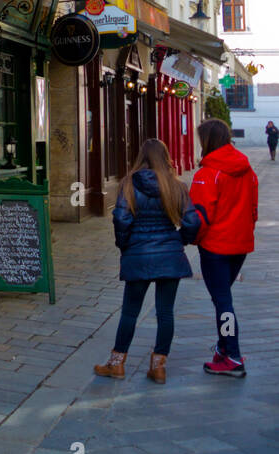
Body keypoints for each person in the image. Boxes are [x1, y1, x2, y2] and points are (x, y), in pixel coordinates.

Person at [95, 139, 202, 383]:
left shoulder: (129, 184)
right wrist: (180, 240)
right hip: (169, 255)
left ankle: (117, 364)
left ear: (140, 156)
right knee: (165, 313)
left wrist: (125, 244)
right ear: (166, 157)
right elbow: (193, 221)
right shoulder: (176, 186)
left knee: (130, 312)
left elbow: (121, 219)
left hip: (138, 254)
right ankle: (158, 366)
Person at [190, 118, 259, 377]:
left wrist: (194, 239)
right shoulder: (247, 169)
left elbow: (199, 217)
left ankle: (231, 354)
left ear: (207, 141)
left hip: (215, 246)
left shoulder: (208, 174)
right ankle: (222, 347)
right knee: (222, 299)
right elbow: (253, 208)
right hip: (240, 244)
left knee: (222, 302)